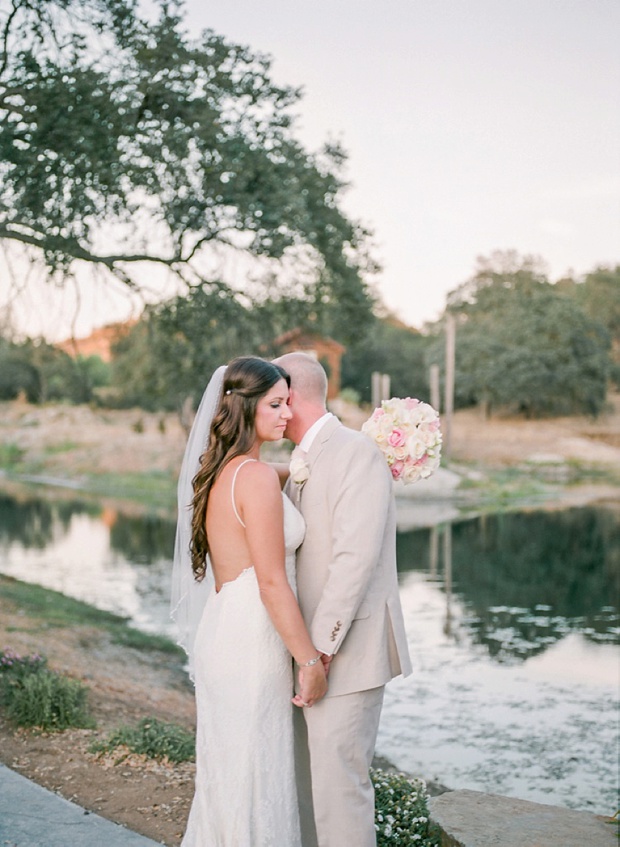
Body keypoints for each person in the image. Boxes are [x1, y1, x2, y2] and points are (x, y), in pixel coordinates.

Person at [171, 356, 328, 847]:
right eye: (276, 404)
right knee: (256, 774)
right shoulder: (255, 479)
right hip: (252, 643)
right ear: (245, 408)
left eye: (288, 402)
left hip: (224, 632)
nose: (287, 414)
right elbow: (272, 584)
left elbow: (284, 470)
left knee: (230, 776)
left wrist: (311, 462)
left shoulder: (222, 471)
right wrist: (309, 661)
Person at [273, 351, 413, 847]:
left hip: (346, 651)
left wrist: (320, 655)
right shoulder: (304, 458)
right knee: (308, 789)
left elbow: (354, 561)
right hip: (305, 651)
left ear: (289, 397)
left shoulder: (356, 452)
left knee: (339, 790)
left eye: (272, 397)